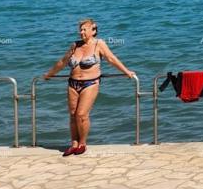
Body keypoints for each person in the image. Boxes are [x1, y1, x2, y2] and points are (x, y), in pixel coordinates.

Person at [42, 18, 136, 156]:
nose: (81, 32)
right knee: (73, 115)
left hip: (90, 83)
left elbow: (111, 59)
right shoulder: (75, 45)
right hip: (72, 83)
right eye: (80, 29)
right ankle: (74, 143)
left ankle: (82, 143)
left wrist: (126, 72)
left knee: (82, 114)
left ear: (93, 30)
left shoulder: (99, 44)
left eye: (84, 29)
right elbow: (62, 62)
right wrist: (49, 74)